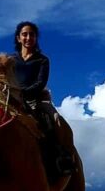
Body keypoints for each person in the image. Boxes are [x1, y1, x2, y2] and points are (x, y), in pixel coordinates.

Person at [10, 21, 75, 177]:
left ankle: (62, 156)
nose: (28, 37)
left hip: (36, 99)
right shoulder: (10, 60)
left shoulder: (42, 60)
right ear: (19, 38)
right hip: (12, 99)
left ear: (36, 38)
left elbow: (41, 82)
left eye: (31, 34)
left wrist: (25, 92)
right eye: (24, 34)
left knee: (55, 119)